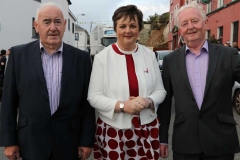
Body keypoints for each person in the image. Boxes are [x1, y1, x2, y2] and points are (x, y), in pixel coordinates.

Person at [0, 2, 95, 160]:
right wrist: (9, 141)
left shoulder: (81, 59)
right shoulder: (18, 55)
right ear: (36, 26)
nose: (53, 27)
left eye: (58, 22)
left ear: (64, 25)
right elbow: (9, 102)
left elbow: (87, 105)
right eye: (46, 22)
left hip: (69, 142)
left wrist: (86, 141)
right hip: (31, 142)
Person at [158, 2, 240, 160]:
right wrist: (163, 139)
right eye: (184, 23)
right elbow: (165, 104)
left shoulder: (228, 55)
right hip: (185, 142)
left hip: (220, 142)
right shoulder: (170, 61)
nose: (190, 27)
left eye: (194, 21)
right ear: (180, 30)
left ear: (205, 22)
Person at [87, 4, 166, 160]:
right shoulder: (102, 58)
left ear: (140, 29)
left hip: (147, 128)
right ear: (116, 29)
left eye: (133, 25)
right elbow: (94, 96)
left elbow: (160, 91)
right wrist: (123, 106)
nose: (127, 30)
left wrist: (148, 101)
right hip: (114, 131)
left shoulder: (149, 56)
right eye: (122, 26)